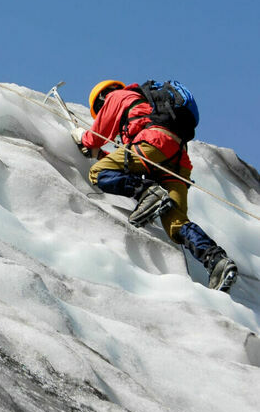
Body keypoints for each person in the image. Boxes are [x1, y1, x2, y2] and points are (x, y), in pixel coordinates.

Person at [71, 80, 239, 293]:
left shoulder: (118, 97)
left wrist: (83, 139)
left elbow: (94, 138)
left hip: (153, 144)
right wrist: (101, 154)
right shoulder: (147, 108)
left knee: (98, 173)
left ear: (102, 98)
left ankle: (148, 194)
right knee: (176, 223)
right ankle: (217, 261)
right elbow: (129, 162)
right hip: (177, 160)